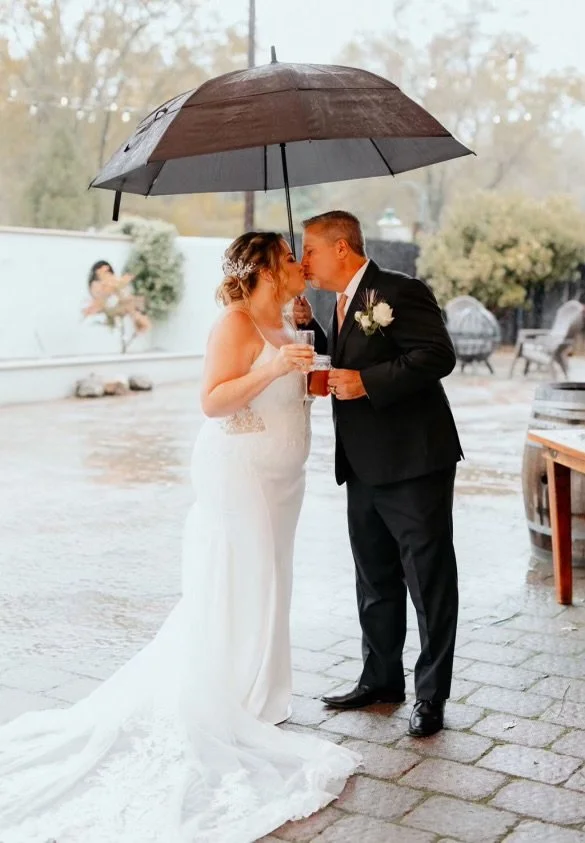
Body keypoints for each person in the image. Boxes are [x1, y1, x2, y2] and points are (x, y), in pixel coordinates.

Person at [0, 232, 359, 842]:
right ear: (268, 269)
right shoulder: (235, 323)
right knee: (241, 579)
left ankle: (262, 693)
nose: (301, 265)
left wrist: (305, 364)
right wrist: (272, 366)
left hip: (283, 481)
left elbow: (290, 394)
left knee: (273, 578)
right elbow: (213, 402)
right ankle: (229, 694)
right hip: (239, 472)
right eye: (290, 258)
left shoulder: (292, 319)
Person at [295, 210, 462, 738]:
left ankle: (431, 697)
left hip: (414, 461)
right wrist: (310, 327)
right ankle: (381, 679)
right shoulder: (338, 302)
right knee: (373, 579)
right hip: (362, 464)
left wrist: (368, 383)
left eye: (310, 251)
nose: (304, 262)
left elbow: (437, 355)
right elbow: (343, 361)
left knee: (428, 583)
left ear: (341, 248)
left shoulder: (399, 290)